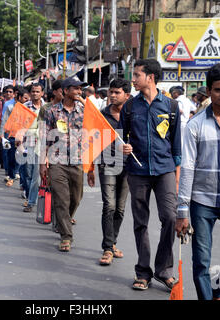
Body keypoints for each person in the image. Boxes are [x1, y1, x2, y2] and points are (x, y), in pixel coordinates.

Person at [175, 63, 220, 300]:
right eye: (218, 90)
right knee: (201, 263)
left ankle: (218, 288)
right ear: (209, 90)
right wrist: (182, 209)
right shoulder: (195, 125)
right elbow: (187, 168)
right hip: (202, 202)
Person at [119, 59, 181, 291]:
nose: (133, 80)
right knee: (140, 222)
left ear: (150, 77)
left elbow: (176, 145)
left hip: (164, 169)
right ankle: (143, 272)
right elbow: (119, 137)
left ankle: (164, 270)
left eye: (136, 75)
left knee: (170, 218)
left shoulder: (171, 106)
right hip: (137, 171)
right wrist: (123, 147)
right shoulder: (130, 106)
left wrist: (177, 175)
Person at [87, 78, 131, 266]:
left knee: (120, 209)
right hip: (108, 164)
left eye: (117, 92)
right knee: (109, 205)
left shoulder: (133, 114)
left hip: (130, 166)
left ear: (127, 95)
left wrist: (132, 147)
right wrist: (90, 167)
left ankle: (113, 243)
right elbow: (92, 141)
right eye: (110, 92)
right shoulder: (101, 115)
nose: (112, 95)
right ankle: (107, 248)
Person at [41, 77, 87, 252]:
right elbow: (45, 137)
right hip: (56, 161)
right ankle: (66, 236)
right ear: (65, 91)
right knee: (61, 198)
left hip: (77, 161)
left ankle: (62, 220)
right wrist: (42, 163)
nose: (79, 92)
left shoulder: (84, 111)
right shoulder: (52, 111)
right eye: (75, 89)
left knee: (76, 198)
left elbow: (96, 125)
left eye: (80, 89)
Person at [21, 83, 44, 213]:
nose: (35, 93)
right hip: (28, 143)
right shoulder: (25, 108)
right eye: (33, 91)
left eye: (37, 91)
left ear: (42, 93)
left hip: (42, 145)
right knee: (27, 173)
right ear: (30, 93)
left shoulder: (47, 108)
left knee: (36, 176)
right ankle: (29, 195)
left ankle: (31, 201)